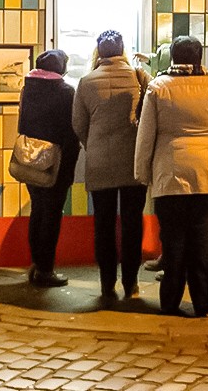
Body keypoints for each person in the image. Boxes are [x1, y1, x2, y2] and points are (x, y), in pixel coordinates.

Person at [134, 35, 208, 318]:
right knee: (202, 238)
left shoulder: (158, 88)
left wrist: (142, 172)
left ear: (172, 58)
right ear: (199, 58)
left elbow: (146, 136)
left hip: (170, 175)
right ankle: (203, 301)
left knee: (173, 240)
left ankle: (170, 301)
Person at [72, 30, 150, 300]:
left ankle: (107, 285)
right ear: (123, 50)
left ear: (99, 52)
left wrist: (93, 145)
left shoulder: (86, 82)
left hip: (100, 163)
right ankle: (132, 285)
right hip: (132, 164)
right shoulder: (139, 78)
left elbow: (78, 125)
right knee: (132, 225)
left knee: (103, 225)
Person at [16, 48, 80, 287]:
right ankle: (45, 270)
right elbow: (71, 133)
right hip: (56, 163)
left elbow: (22, 123)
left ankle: (36, 263)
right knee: (51, 216)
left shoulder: (28, 89)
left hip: (31, 160)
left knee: (38, 211)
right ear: (60, 68)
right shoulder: (65, 92)